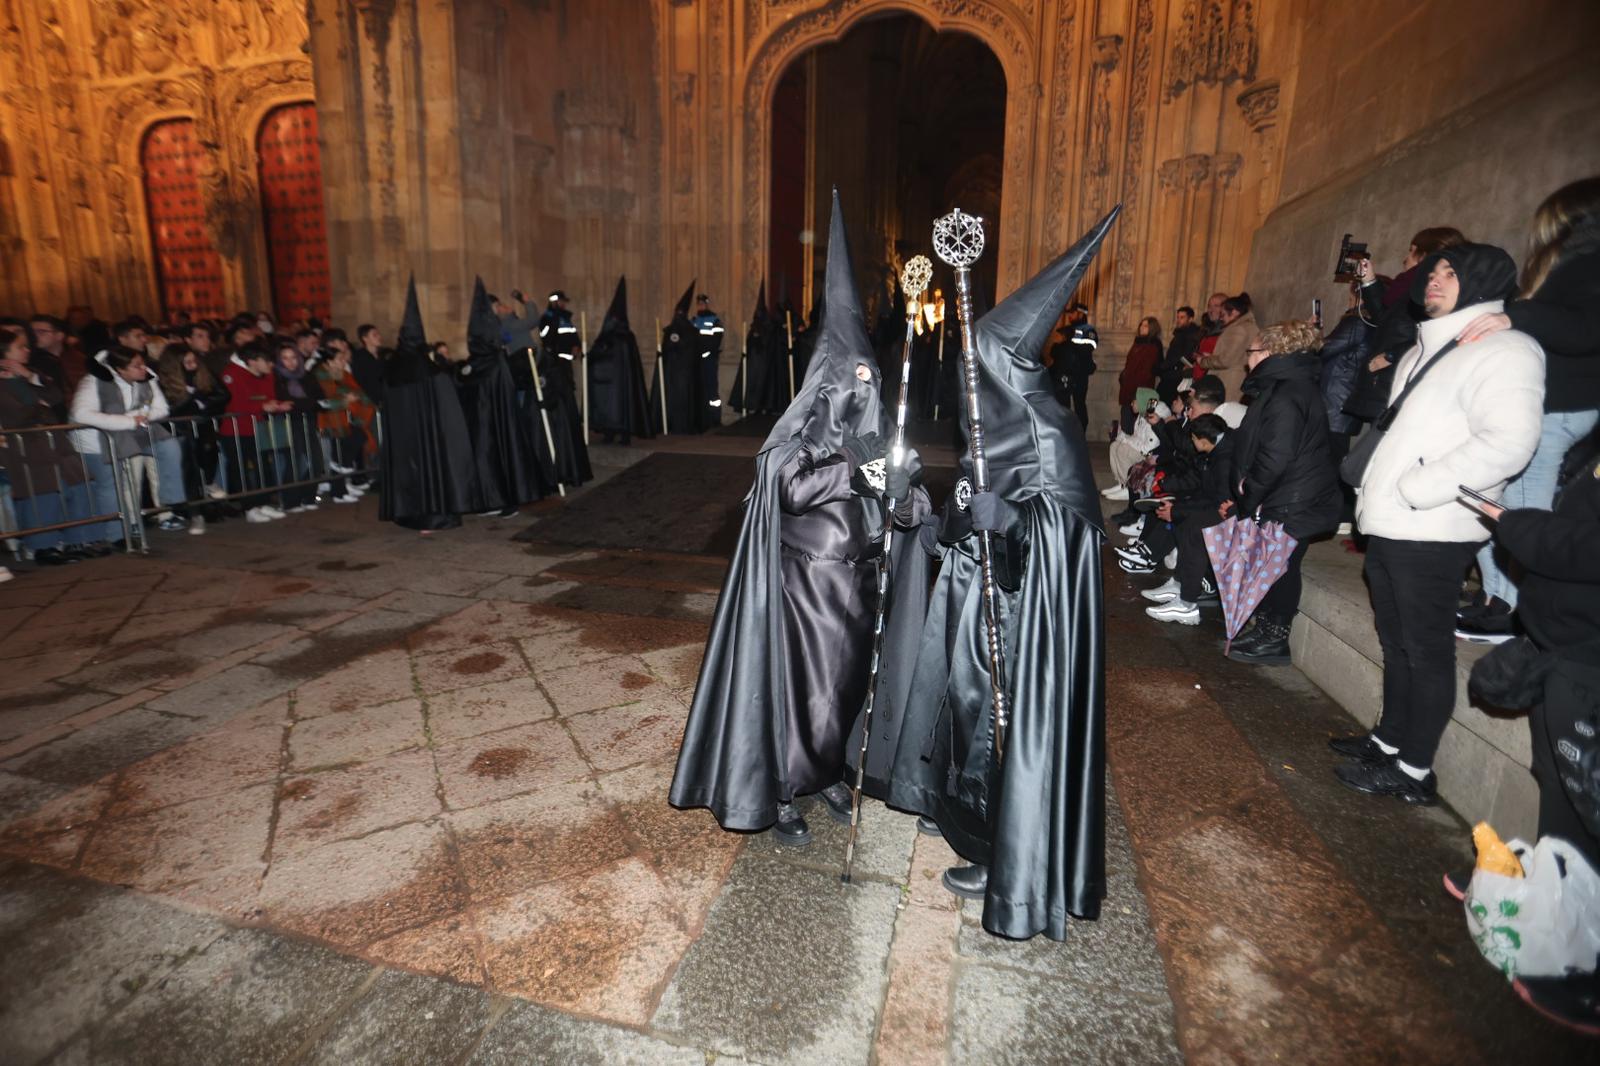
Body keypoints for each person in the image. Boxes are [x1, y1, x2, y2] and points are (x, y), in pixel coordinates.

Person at [883, 209, 1118, 939]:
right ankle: (965, 813)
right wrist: (947, 510)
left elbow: (1075, 537)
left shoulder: (1048, 426)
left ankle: (1004, 852)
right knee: (963, 705)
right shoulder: (999, 421)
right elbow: (980, 501)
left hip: (1027, 617)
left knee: (1000, 726)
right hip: (980, 595)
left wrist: (1012, 523)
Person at [670, 190, 929, 846]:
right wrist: (855, 471)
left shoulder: (869, 421)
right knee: (804, 688)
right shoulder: (810, 425)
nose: (867, 390)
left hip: (861, 576)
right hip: (808, 580)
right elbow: (784, 482)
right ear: (835, 380)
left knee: (844, 688)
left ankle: (829, 769)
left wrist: (904, 491)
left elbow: (895, 498)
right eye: (858, 381)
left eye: (873, 379)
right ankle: (784, 786)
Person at [1333, 244, 1544, 803]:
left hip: (1434, 526)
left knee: (1425, 651)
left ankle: (1414, 774)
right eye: (1434, 272)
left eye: (1451, 273)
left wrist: (1420, 487)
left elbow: (1509, 442)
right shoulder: (1424, 349)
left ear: (1483, 282)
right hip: (1392, 523)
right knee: (1396, 641)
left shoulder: (1506, 349)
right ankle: (1387, 742)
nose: (1434, 281)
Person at [1455, 177, 1600, 642]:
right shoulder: (1575, 262)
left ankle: (1513, 613)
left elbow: (1584, 329)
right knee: (1493, 500)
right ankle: (1497, 600)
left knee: (1521, 512)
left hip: (1558, 408)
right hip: (1550, 404)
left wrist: (1516, 316)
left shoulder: (1587, 262)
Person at [1208, 321, 1342, 662]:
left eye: (1251, 352)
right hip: (1287, 495)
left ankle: (1275, 638)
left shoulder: (1287, 393)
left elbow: (1275, 455)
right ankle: (1266, 628)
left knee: (1282, 568)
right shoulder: (1286, 388)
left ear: (1269, 352)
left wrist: (1249, 493)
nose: (1247, 360)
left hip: (1294, 499)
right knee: (1273, 565)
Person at [378, 277, 477, 532]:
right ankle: (431, 519)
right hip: (428, 438)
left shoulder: (392, 368)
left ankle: (408, 515)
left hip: (404, 440)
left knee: (409, 475)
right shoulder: (430, 370)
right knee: (431, 472)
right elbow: (447, 406)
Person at [1343, 226, 1468, 426]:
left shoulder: (1431, 289)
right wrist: (1368, 281)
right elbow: (1386, 319)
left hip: (1401, 377)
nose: (1405, 257)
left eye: (1411, 250)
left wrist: (1393, 355)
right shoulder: (1409, 286)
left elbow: (1438, 334)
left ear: (1425, 253)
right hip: (1388, 379)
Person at [0, 327, 102, 563]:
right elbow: (16, 416)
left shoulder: (31, 373)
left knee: (77, 487)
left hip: (54, 443)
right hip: (24, 448)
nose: (27, 350)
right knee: (42, 495)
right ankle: (43, 546)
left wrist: (30, 379)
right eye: (21, 347)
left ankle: (78, 539)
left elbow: (55, 397)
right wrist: (40, 405)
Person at [459, 276, 545, 515]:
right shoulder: (504, 327)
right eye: (502, 306)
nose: (507, 308)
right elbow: (532, 320)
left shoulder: (498, 346)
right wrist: (527, 301)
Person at [154, 343, 230, 534]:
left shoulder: (204, 374)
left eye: (193, 360)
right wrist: (192, 400)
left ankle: (210, 483)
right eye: (186, 362)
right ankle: (196, 515)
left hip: (204, 426)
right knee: (191, 471)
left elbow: (223, 395)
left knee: (210, 453)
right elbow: (170, 410)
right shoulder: (164, 382)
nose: (192, 365)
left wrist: (201, 403)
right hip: (182, 431)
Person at [220, 340, 288, 523]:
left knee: (262, 467)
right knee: (241, 470)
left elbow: (268, 397)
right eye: (267, 360)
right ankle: (249, 507)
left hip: (258, 427)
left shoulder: (266, 375)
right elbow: (236, 404)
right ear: (252, 361)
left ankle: (263, 502)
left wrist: (275, 405)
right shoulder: (232, 374)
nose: (271, 365)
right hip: (235, 430)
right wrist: (263, 405)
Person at [584, 276, 652, 447]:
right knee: (612, 407)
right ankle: (612, 432)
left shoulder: (621, 338)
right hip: (606, 383)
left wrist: (590, 356)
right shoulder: (623, 338)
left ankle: (620, 433)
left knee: (619, 407)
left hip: (616, 385)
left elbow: (594, 355)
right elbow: (594, 356)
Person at [651, 281, 709, 434]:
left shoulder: (692, 331)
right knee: (671, 400)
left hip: (684, 375)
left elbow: (694, 351)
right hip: (671, 374)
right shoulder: (671, 330)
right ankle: (669, 424)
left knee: (684, 400)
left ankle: (683, 425)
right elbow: (665, 350)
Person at [1197, 293, 1258, 403]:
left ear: (1234, 312)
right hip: (1235, 380)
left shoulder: (1238, 329)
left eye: (1223, 314)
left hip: (1229, 382)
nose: (1221, 318)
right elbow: (1236, 355)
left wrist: (1203, 361)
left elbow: (1226, 360)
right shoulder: (1247, 326)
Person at [1049, 301, 1098, 430]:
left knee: (1079, 404)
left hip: (1080, 374)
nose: (1070, 315)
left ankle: (1081, 434)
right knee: (1063, 405)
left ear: (1081, 314)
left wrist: (1068, 344)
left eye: (1073, 313)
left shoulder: (1088, 330)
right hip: (1065, 373)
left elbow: (1087, 348)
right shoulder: (1066, 329)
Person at [1119, 316, 1163, 432]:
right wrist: (1123, 377)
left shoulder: (1153, 345)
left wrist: (1136, 393)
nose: (1142, 328)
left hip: (1140, 391)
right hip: (1128, 387)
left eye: (1146, 326)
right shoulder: (1137, 343)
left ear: (1152, 328)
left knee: (1136, 423)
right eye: (1141, 325)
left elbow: (1147, 370)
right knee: (1126, 419)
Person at [692, 293, 726, 428]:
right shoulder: (694, 320)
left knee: (712, 389)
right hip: (697, 361)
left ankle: (715, 419)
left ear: (706, 304)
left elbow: (717, 339)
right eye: (698, 303)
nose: (700, 306)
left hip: (709, 360)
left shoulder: (715, 319)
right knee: (699, 389)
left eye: (702, 303)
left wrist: (705, 352)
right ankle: (701, 419)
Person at [1159, 305, 1201, 402]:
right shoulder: (1180, 334)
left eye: (1182, 317)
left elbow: (1182, 356)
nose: (1178, 320)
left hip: (1177, 376)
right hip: (1171, 374)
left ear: (1190, 319)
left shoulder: (1191, 335)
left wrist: (1164, 366)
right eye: (1178, 317)